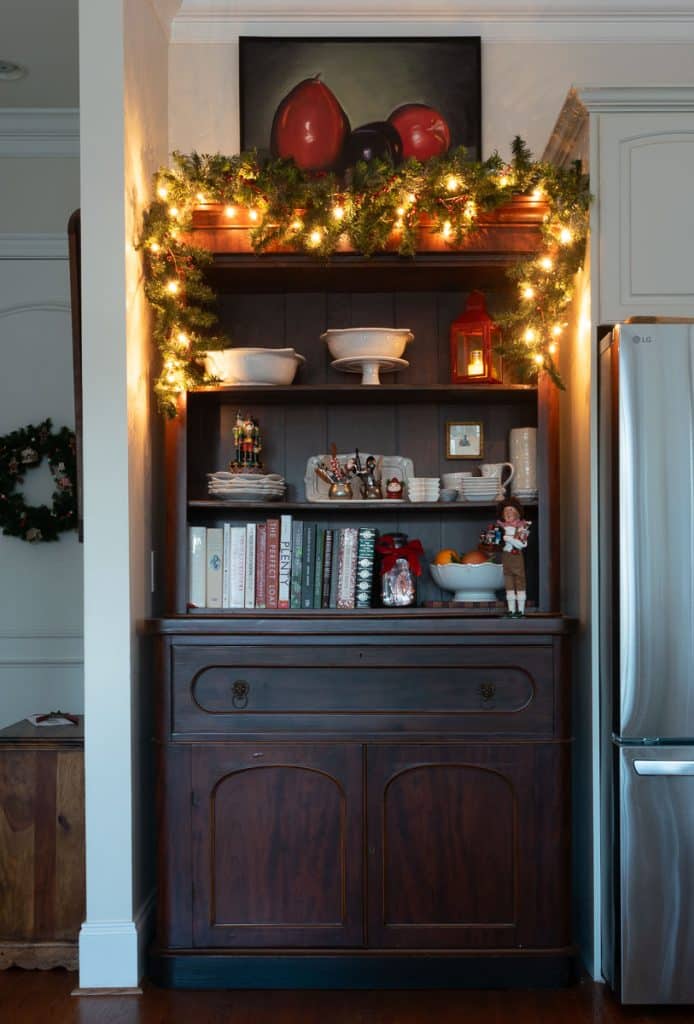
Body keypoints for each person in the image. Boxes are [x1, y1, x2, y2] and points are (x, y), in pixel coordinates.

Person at [496, 497, 531, 617]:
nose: (508, 513)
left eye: (511, 510)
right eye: (506, 511)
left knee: (520, 582)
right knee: (508, 584)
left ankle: (520, 611)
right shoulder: (502, 528)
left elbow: (522, 544)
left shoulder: (522, 528)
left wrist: (509, 539)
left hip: (516, 558)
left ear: (517, 513)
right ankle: (511, 610)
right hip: (506, 558)